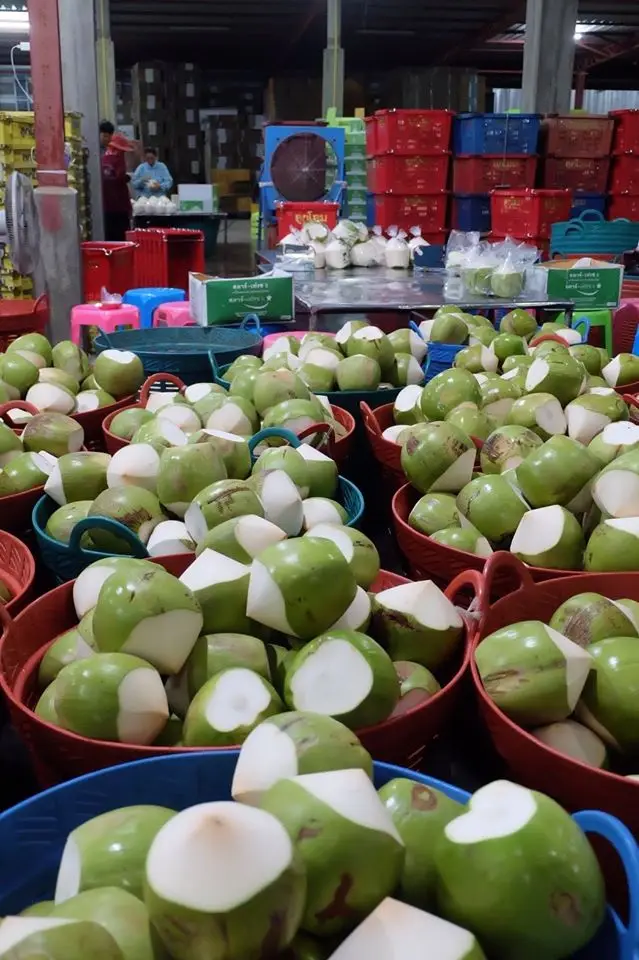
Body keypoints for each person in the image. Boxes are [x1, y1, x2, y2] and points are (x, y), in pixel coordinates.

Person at [101, 131, 134, 242]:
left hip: (105, 206)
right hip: (118, 207)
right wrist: (126, 178)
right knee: (120, 238)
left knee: (109, 238)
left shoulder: (103, 159)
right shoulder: (118, 160)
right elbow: (119, 178)